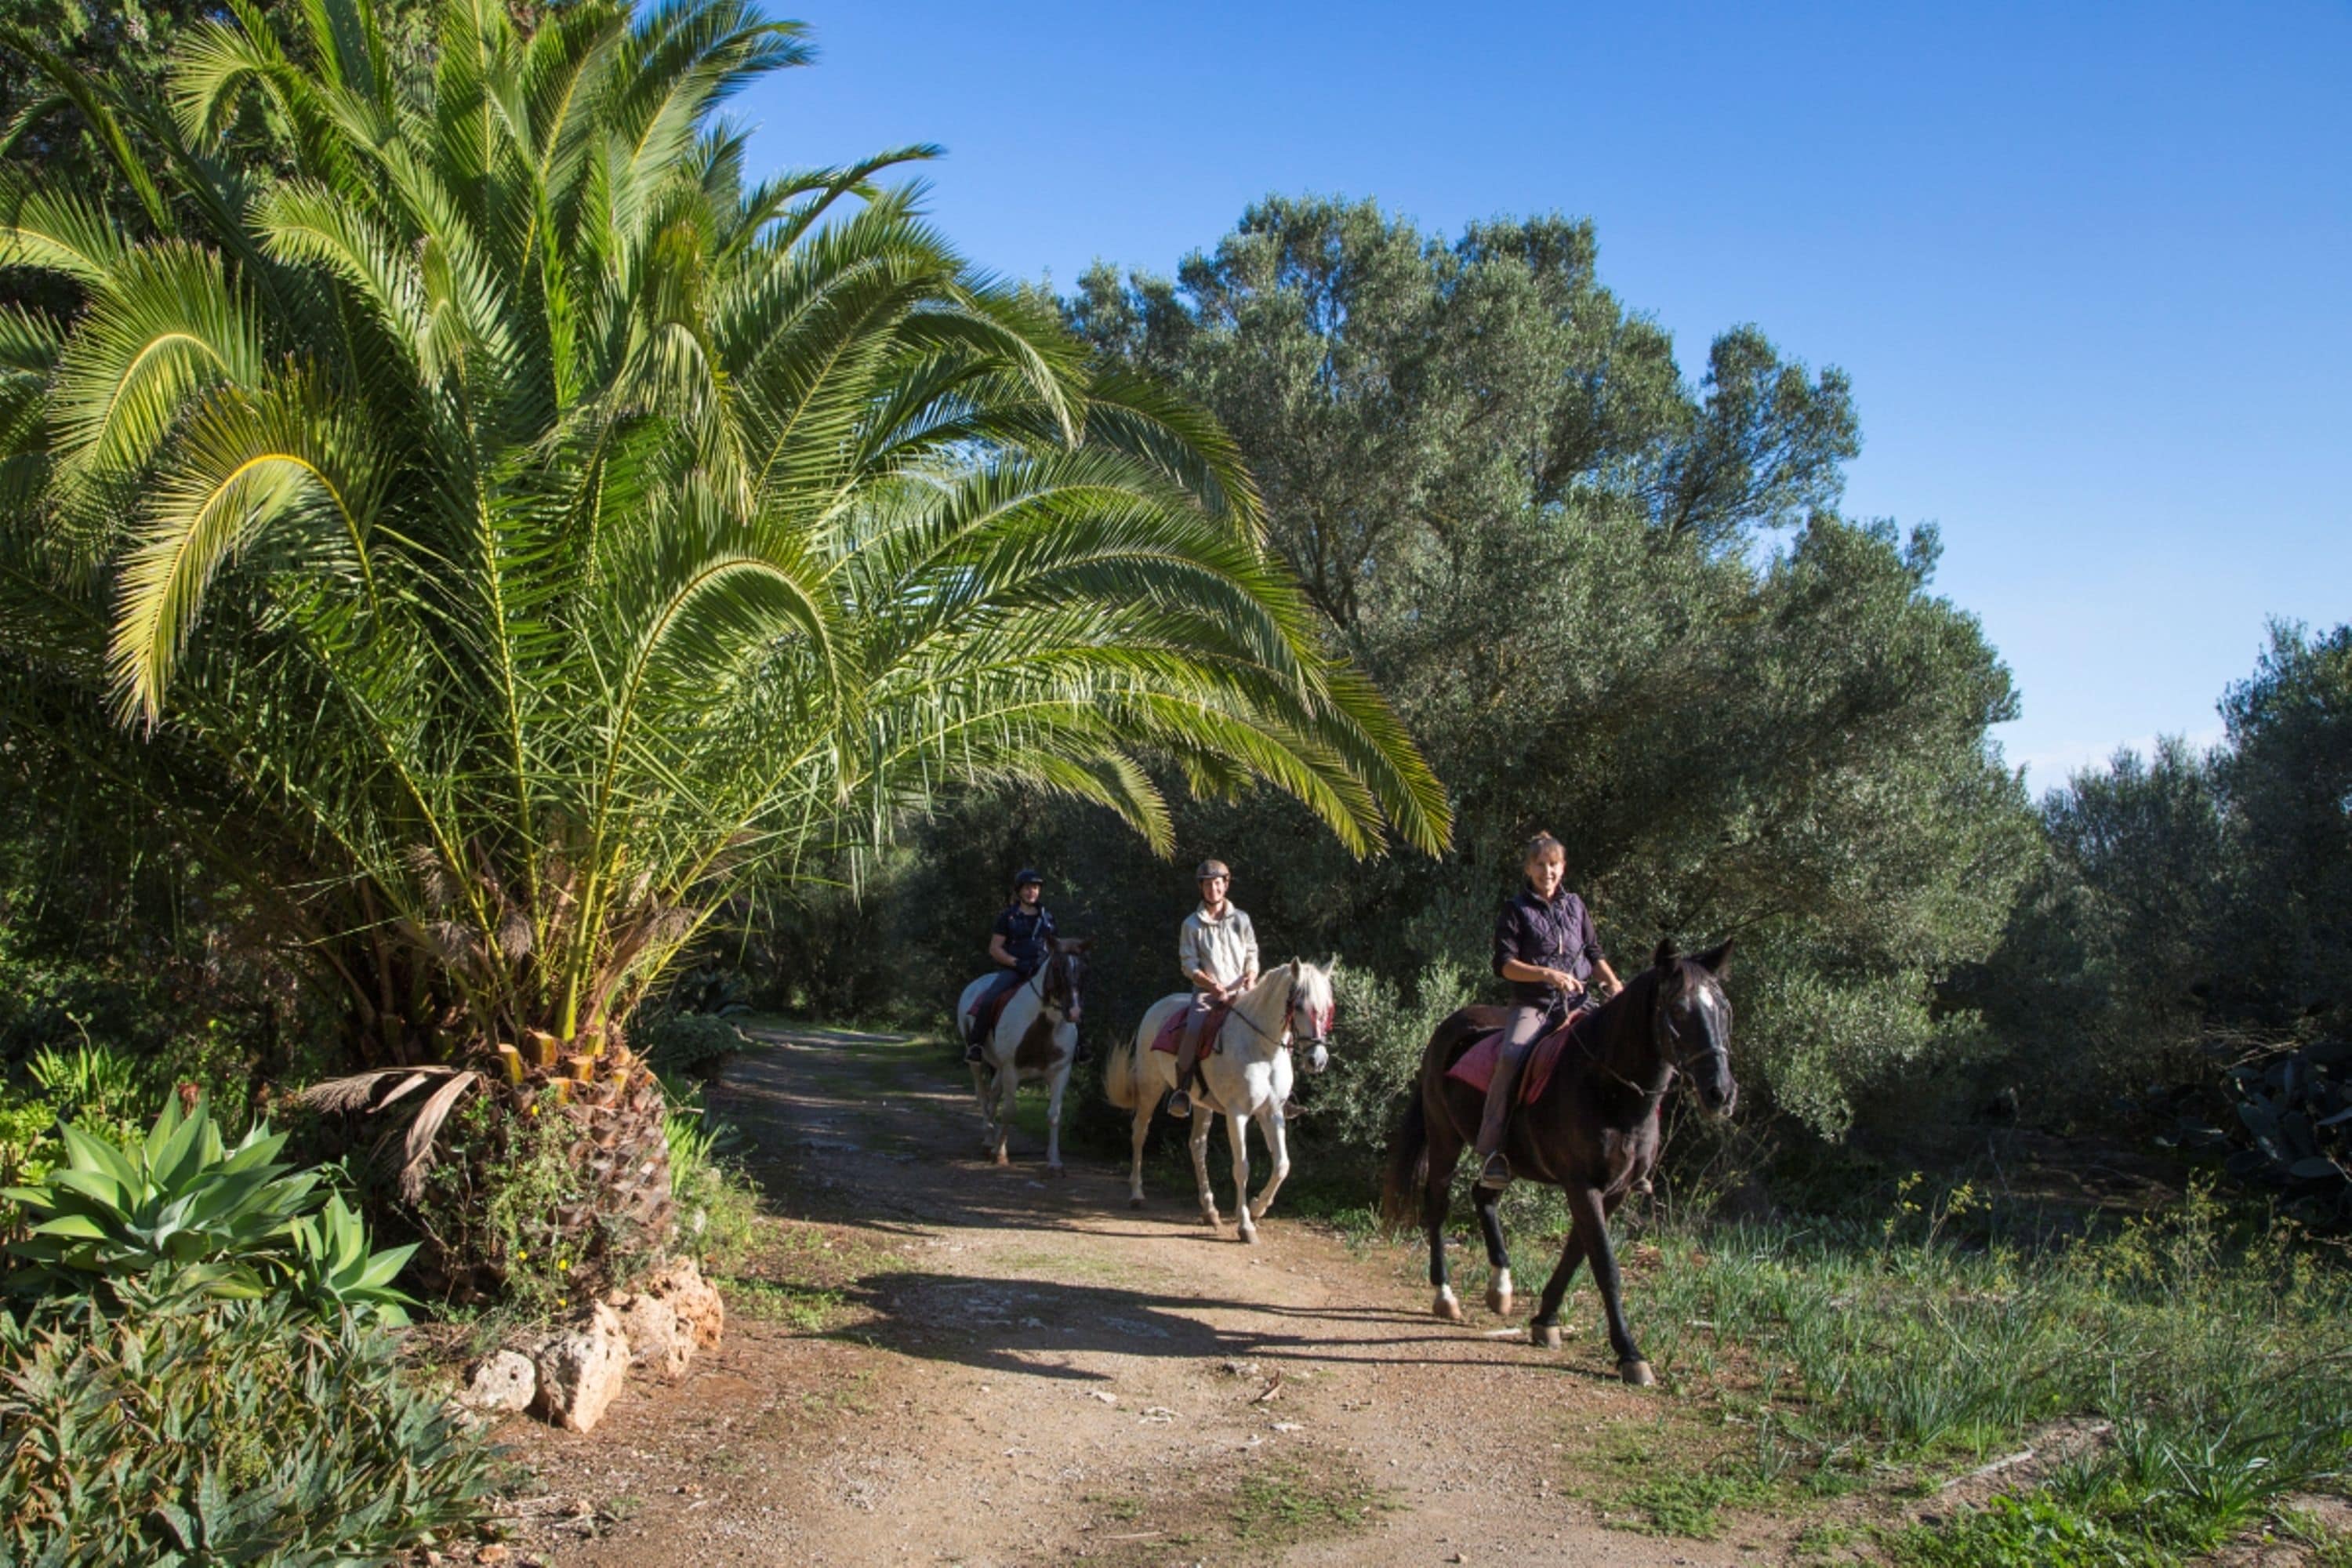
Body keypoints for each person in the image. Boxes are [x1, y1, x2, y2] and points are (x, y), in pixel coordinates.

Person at [1478, 832, 1622, 1189]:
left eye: (1554, 864)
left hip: (1579, 1004)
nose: (1548, 871)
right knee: (1511, 1057)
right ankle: (1494, 1150)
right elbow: (1505, 965)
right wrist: (1546, 974)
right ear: (1529, 869)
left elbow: (1593, 953)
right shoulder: (1516, 910)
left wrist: (1615, 986)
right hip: (1535, 1006)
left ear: (1564, 867)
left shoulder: (1576, 906)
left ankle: (1630, 1154)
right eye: (1540, 865)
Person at [1165, 858, 1258, 1119]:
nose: (1212, 889)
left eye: (1217, 883)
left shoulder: (1241, 919)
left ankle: (1283, 1094)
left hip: (1242, 991)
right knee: (1192, 1030)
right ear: (1201, 888)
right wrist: (1212, 985)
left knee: (1275, 1024)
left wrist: (1251, 975)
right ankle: (1182, 1091)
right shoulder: (1191, 925)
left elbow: (1252, 952)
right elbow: (1189, 965)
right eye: (1207, 884)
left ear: (1225, 885)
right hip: (1207, 993)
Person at [967, 869, 1056, 1063]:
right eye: (1026, 888)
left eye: (1035, 888)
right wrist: (1016, 963)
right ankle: (976, 1045)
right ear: (1019, 891)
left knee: (1070, 995)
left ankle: (1080, 1046)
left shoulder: (1048, 918)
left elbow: (1054, 946)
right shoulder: (1007, 917)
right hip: (1015, 969)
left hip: (1041, 970)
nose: (1031, 892)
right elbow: (995, 948)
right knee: (990, 998)